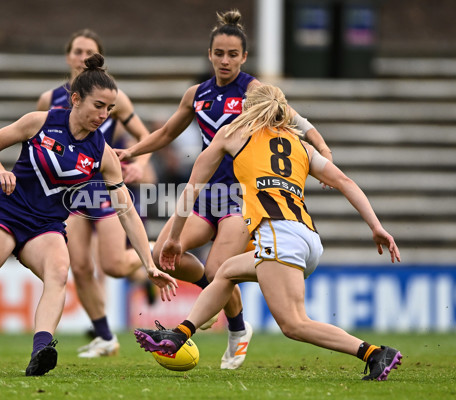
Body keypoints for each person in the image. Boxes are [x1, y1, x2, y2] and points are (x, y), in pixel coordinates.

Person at [0, 54, 178, 376]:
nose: (104, 115)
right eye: (98, 105)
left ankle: (41, 349)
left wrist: (149, 264)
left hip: (45, 226)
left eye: (109, 109)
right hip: (5, 213)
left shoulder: (102, 153)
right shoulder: (40, 121)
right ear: (75, 99)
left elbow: (125, 210)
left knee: (59, 272)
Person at [134, 83, 403, 381]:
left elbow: (192, 189)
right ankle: (179, 334)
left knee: (294, 325)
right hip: (307, 237)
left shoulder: (234, 135)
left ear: (249, 108)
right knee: (225, 272)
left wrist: (174, 237)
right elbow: (346, 182)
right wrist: (376, 227)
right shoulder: (300, 145)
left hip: (277, 236)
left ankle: (375, 353)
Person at [117, 9, 333, 370]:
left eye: (233, 54)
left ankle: (234, 329)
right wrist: (132, 151)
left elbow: (296, 119)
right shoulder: (196, 95)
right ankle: (234, 319)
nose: (225, 60)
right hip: (208, 196)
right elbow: (167, 134)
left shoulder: (254, 90)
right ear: (209, 54)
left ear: (244, 57)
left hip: (243, 199)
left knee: (219, 270)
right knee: (160, 256)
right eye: (219, 53)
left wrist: (322, 149)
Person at [37, 29, 155, 358]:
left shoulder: (113, 98)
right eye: (77, 50)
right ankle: (105, 336)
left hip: (102, 187)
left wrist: (137, 162)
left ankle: (157, 252)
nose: (81, 57)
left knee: (115, 265)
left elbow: (145, 136)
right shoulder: (50, 100)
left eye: (89, 51)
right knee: (80, 267)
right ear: (68, 56)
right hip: (68, 195)